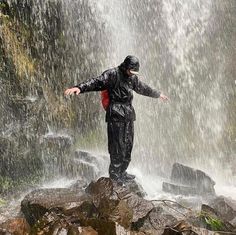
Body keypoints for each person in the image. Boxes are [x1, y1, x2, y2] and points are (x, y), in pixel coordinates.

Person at [65, 55, 168, 185]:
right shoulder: (112, 74)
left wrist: (158, 94)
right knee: (117, 146)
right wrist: (79, 87)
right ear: (126, 66)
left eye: (134, 72)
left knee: (128, 144)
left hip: (128, 114)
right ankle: (114, 175)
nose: (132, 74)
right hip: (115, 114)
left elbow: (143, 88)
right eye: (131, 71)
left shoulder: (132, 78)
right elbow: (96, 82)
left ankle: (123, 172)